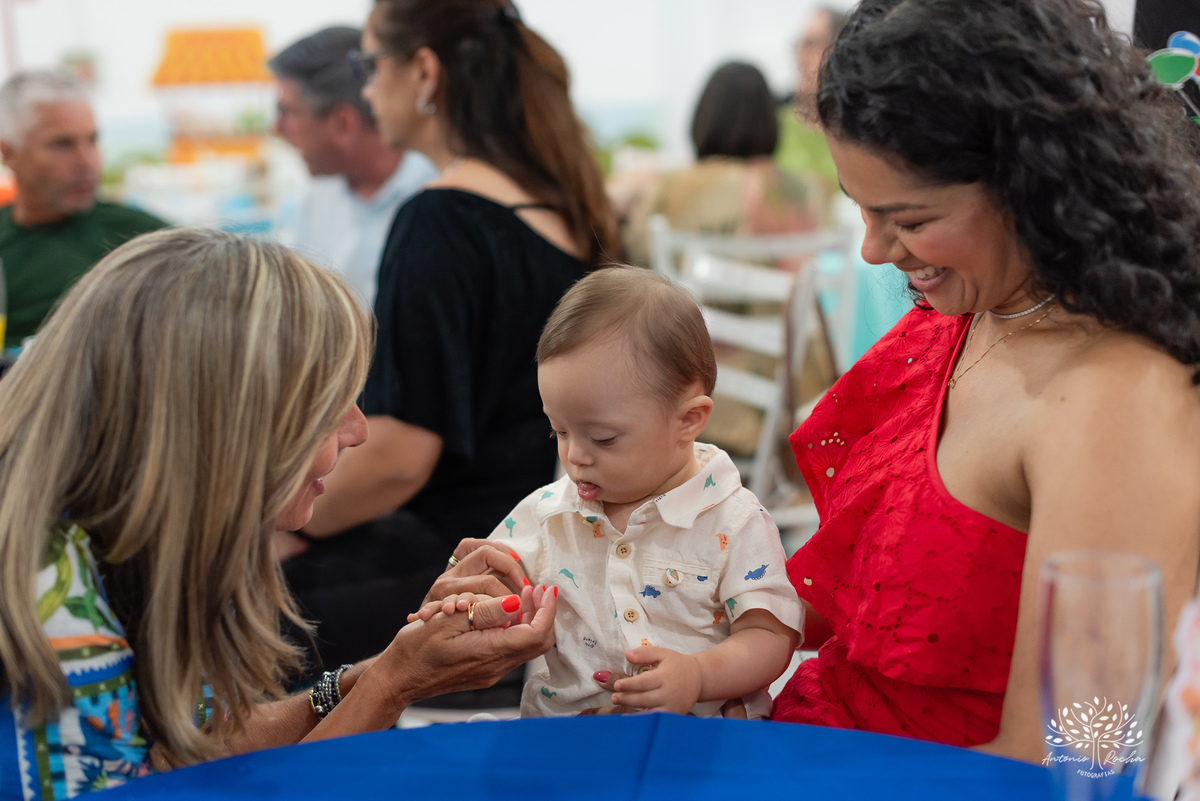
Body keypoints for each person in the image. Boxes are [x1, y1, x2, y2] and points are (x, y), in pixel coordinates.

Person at [769, 0, 1200, 763]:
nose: (873, 250)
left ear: (1034, 182)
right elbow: (867, 592)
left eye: (907, 218)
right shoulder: (973, 311)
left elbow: (1084, 755)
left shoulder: (1115, 400)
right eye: (861, 211)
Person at [0, 227, 556, 797]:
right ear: (226, 422)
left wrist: (377, 673)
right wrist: (391, 685)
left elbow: (193, 745)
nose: (359, 430)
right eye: (326, 404)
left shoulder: (119, 545)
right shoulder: (56, 608)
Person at [279, 0, 621, 699]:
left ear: (424, 72)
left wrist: (278, 526)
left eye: (369, 65)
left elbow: (399, 460)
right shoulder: (560, 209)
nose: (367, 88)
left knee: (236, 605)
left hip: (462, 565)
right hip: (541, 550)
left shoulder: (440, 219)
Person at [414, 267, 802, 717]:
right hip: (568, 749)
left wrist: (699, 675)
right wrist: (479, 601)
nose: (575, 455)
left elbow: (771, 636)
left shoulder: (732, 520)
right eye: (559, 431)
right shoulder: (547, 513)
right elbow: (496, 583)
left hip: (695, 751)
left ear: (688, 420)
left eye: (603, 438)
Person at [269, 26, 436, 307]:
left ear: (343, 124)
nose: (277, 128)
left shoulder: (436, 195)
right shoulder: (319, 195)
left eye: (288, 112)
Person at [0, 70, 167, 350]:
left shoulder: (145, 238)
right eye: (62, 144)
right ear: (9, 153)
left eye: (92, 140)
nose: (86, 162)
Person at [625, 61, 819, 267]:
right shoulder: (806, 191)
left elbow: (637, 253)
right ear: (769, 117)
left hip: (691, 299)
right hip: (782, 299)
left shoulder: (670, 185)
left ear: (705, 116)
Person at [774, 6, 849, 224]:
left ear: (840, 49)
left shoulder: (861, 127)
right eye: (798, 44)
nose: (799, 54)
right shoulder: (773, 122)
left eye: (810, 43)